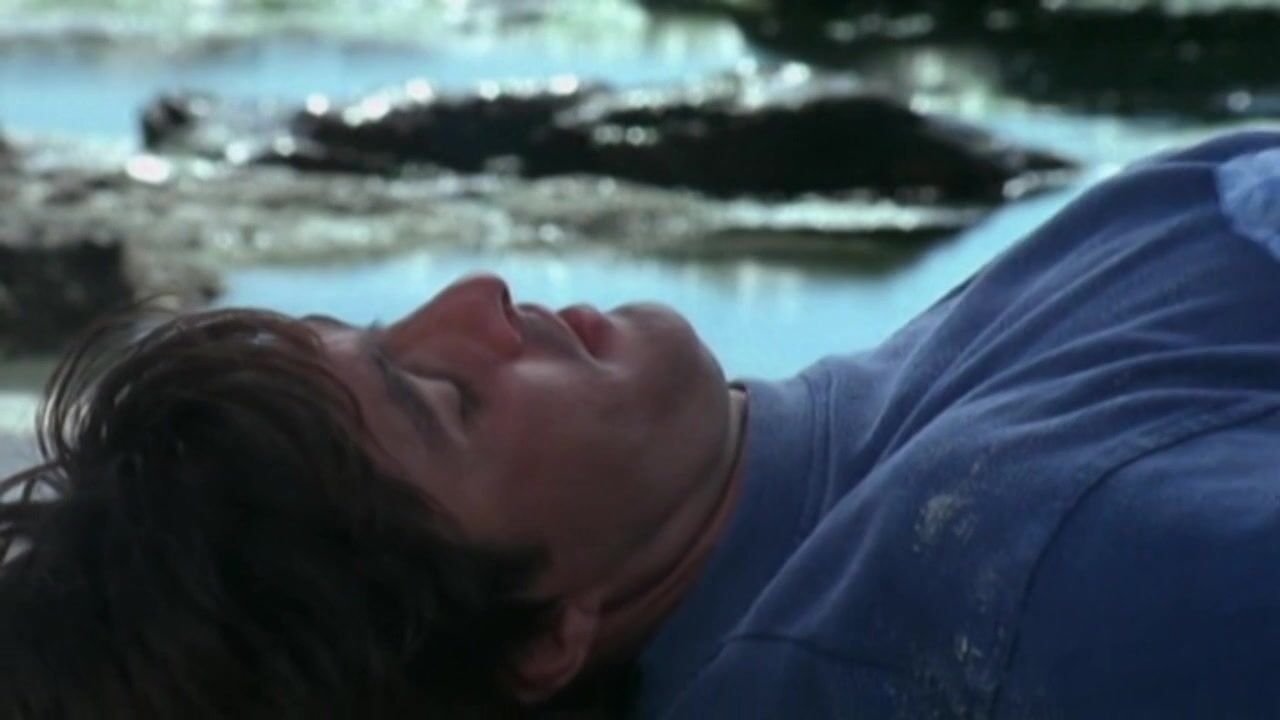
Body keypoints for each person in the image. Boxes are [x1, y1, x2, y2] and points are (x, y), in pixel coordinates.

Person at [3, 129, 1280, 718]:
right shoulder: (1038, 589)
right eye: (443, 400)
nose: (477, 299)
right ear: (539, 635)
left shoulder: (878, 487)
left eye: (388, 331)